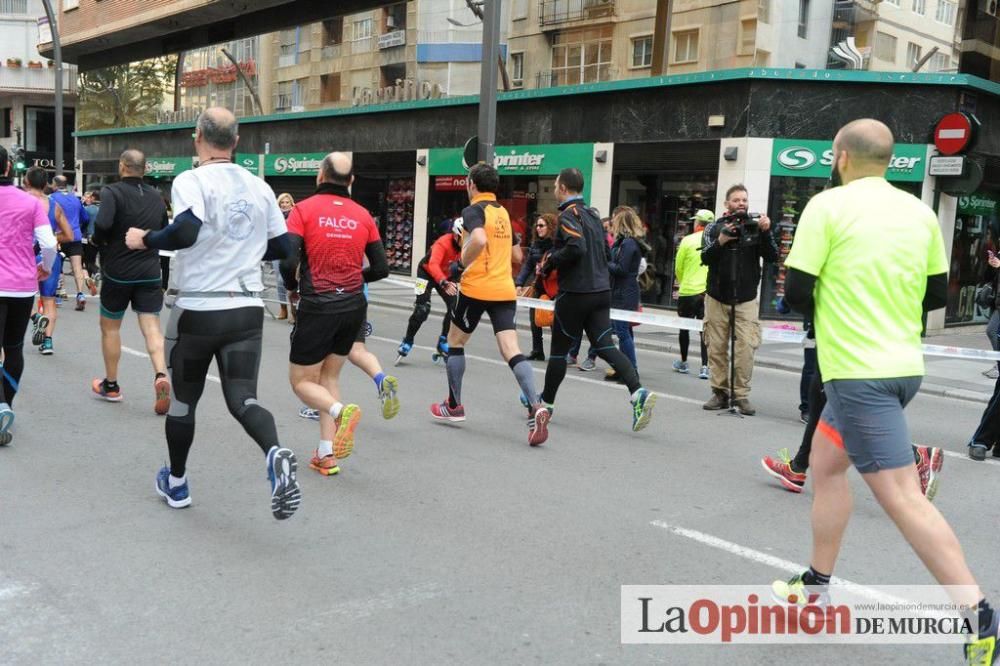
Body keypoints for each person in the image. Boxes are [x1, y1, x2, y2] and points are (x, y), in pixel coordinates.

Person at [771, 119, 1000, 664]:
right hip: (902, 368)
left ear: (842, 157)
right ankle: (817, 583)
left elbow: (797, 291)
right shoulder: (919, 211)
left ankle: (981, 616)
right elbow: (932, 297)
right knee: (825, 469)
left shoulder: (827, 206)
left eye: (832, 156)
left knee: (901, 496)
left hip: (857, 372)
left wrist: (843, 305)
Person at [125, 107, 300, 520]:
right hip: (245, 308)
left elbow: (185, 231)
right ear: (236, 142)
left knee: (184, 403)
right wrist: (247, 247)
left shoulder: (191, 179)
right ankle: (274, 452)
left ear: (197, 136)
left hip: (198, 307)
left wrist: (145, 239)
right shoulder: (259, 186)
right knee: (243, 399)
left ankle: (178, 482)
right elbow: (285, 247)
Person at [281, 152, 395, 476]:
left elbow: (288, 261)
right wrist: (357, 279)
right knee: (329, 376)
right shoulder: (363, 215)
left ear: (319, 176)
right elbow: (382, 267)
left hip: (318, 305)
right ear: (352, 181)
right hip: (353, 306)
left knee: (302, 382)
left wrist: (292, 286)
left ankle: (341, 411)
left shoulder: (302, 210)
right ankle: (326, 454)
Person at [429, 163, 550, 447]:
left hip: (475, 287)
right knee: (511, 349)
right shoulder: (504, 213)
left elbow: (479, 240)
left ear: (471, 184)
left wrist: (459, 263)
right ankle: (535, 405)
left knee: (455, 341)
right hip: (504, 288)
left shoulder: (473, 211)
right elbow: (517, 256)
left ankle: (455, 405)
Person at [537, 168, 656, 432]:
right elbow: (604, 251)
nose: (555, 189)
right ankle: (638, 393)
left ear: (564, 188)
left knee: (558, 351)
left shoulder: (568, 214)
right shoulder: (592, 213)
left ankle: (545, 405)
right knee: (605, 346)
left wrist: (550, 261)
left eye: (556, 185)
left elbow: (575, 247)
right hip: (601, 292)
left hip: (575, 293)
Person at [90, 149, 171, 413]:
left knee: (110, 328)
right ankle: (160, 374)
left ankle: (111, 385)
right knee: (152, 327)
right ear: (144, 169)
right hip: (149, 270)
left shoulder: (111, 192)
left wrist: (97, 241)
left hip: (117, 271)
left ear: (122, 166)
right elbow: (160, 230)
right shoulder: (157, 197)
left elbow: (102, 223)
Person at [700, 184, 779, 415]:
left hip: (745, 299)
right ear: (726, 204)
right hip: (717, 298)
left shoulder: (756, 227)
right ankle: (720, 392)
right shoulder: (714, 228)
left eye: (744, 200)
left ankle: (741, 395)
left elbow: (773, 256)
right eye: (736, 200)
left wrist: (766, 232)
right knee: (716, 347)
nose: (741, 204)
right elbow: (705, 257)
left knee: (745, 348)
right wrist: (721, 241)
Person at [0, 147, 58, 446]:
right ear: (9, 168)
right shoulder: (30, 202)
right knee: (13, 348)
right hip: (22, 285)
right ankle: (6, 405)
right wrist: (44, 269)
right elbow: (49, 244)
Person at [23, 167, 73, 356]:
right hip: (50, 256)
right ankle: (48, 342)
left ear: (26, 182)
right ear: (46, 185)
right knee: (50, 300)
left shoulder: (21, 202)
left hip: (25, 256)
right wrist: (51, 237)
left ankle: (36, 317)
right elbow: (69, 235)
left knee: (22, 296)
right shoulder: (54, 206)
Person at [397, 219, 461, 362]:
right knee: (422, 309)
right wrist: (443, 282)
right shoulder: (443, 243)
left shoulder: (467, 246)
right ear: (456, 235)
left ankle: (443, 340)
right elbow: (433, 264)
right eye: (463, 238)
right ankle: (407, 341)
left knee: (455, 306)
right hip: (425, 273)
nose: (465, 242)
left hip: (446, 276)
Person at [604, 206, 648, 382]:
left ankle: (631, 370)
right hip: (621, 290)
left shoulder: (628, 243)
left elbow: (622, 269)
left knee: (623, 332)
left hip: (625, 291)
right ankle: (624, 368)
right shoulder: (624, 242)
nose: (611, 224)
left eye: (614, 221)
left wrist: (605, 263)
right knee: (623, 331)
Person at [672, 209, 712, 379]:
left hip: (687, 292)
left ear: (698, 223)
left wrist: (682, 281)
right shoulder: (714, 241)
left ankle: (683, 361)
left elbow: (678, 267)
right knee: (705, 331)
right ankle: (704, 366)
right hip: (705, 293)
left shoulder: (687, 240)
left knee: (685, 329)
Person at [516, 213, 556, 362]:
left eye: (541, 225)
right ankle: (537, 350)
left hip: (553, 288)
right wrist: (519, 283)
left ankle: (556, 353)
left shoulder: (556, 245)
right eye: (537, 226)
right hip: (539, 286)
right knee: (534, 320)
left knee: (552, 321)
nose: (538, 228)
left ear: (550, 227)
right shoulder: (535, 245)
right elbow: (527, 266)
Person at [50, 175, 92, 312]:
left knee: (57, 267)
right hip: (75, 236)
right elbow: (85, 217)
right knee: (77, 267)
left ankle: (59, 294)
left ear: (55, 184)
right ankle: (80, 294)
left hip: (59, 237)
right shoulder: (75, 198)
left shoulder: (52, 198)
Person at [274, 192, 295, 322]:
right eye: (282, 202)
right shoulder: (275, 216)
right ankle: (283, 309)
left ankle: (294, 311)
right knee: (279, 281)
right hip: (277, 250)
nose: (285, 205)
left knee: (290, 281)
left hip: (292, 250)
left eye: (287, 202)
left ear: (291, 203)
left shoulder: (296, 214)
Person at [82, 190, 101, 288]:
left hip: (88, 238)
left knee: (86, 260)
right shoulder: (105, 209)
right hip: (101, 238)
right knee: (91, 259)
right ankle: (90, 280)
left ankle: (96, 271)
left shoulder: (88, 209)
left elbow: (82, 221)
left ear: (93, 198)